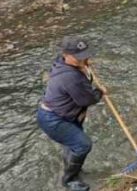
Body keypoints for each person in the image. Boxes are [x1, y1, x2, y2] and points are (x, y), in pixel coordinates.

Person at [37, 37, 105, 191]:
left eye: (85, 55)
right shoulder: (70, 77)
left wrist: (83, 64)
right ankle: (69, 180)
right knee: (83, 145)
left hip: (64, 114)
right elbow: (86, 100)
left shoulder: (62, 62)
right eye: (79, 57)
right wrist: (100, 92)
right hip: (54, 119)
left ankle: (72, 167)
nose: (85, 59)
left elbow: (80, 76)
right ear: (66, 54)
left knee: (72, 144)